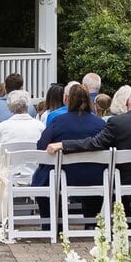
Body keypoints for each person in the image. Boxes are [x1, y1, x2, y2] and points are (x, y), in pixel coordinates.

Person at [46, 88, 131, 217]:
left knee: (113, 174)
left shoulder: (117, 122)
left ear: (126, 102)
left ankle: (128, 218)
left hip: (122, 178)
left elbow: (95, 143)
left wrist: (64, 144)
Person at [29, 85, 106, 214]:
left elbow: (41, 147)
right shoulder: (100, 124)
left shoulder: (58, 121)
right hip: (94, 177)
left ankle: (51, 222)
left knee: (42, 178)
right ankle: (91, 222)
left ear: (66, 100)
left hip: (62, 176)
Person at [0, 90, 43, 204]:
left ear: (10, 108)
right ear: (28, 106)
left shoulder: (2, 127)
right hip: (34, 170)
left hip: (9, 172)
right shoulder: (40, 126)